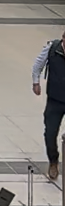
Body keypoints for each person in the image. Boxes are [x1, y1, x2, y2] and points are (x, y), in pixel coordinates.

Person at [32, 30, 65, 180]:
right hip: (55, 99)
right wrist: (36, 82)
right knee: (50, 133)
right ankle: (53, 161)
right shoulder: (52, 48)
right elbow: (38, 65)